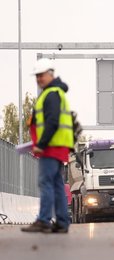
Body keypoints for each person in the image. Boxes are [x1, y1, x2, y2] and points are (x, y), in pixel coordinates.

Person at [22, 59, 74, 234]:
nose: (38, 78)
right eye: (37, 76)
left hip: (51, 147)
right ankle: (62, 222)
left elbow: (52, 122)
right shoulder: (55, 93)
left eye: (41, 75)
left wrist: (41, 144)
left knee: (45, 182)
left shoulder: (51, 94)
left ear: (50, 74)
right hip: (58, 146)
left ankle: (44, 220)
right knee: (57, 184)